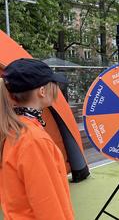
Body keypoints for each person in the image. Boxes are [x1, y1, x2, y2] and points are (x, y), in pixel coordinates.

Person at [0, 58, 74, 219]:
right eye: (54, 84)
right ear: (42, 91)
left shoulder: (13, 128)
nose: (57, 89)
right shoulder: (33, 140)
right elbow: (49, 206)